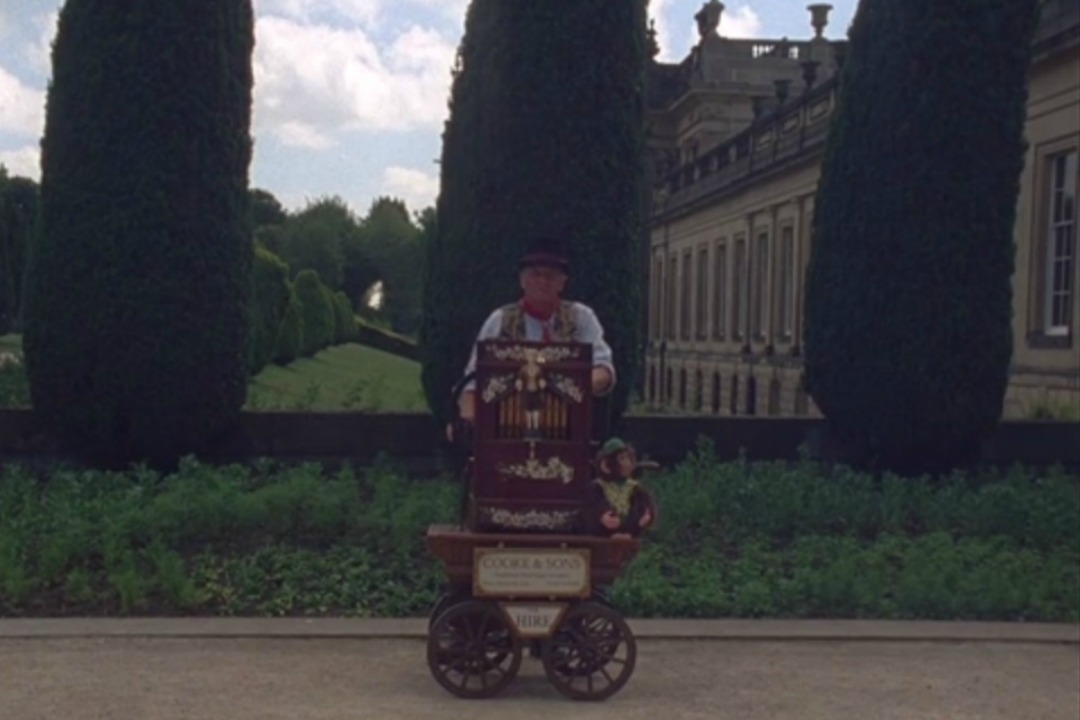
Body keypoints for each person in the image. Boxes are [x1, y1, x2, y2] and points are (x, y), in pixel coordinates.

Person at [454, 251, 615, 425]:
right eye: (535, 274)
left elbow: (604, 368)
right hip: (508, 424)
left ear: (562, 283)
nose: (543, 281)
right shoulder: (500, 320)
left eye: (550, 276)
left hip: (567, 424)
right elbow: (472, 379)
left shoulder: (581, 317)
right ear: (522, 281)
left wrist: (572, 387)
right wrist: (468, 421)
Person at [584, 438, 657, 538]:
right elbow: (593, 506)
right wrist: (602, 516)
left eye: (628, 458)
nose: (627, 463)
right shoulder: (598, 487)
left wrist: (646, 516)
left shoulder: (635, 487)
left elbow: (646, 505)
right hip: (603, 537)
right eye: (622, 459)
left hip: (630, 535)